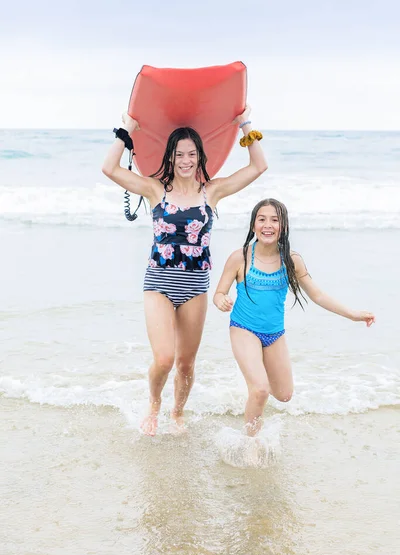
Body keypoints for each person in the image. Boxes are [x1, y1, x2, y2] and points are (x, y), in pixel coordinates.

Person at [102, 107, 267, 436]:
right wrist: (126, 129)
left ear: (200, 156)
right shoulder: (154, 189)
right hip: (159, 284)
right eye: (180, 154)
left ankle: (177, 412)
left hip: (195, 288)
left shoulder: (212, 192)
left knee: (186, 364)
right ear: (171, 157)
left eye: (192, 154)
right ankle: (154, 403)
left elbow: (258, 166)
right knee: (164, 358)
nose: (186, 160)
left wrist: (244, 123)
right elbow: (109, 168)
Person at [213, 199, 376, 436]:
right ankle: (250, 442)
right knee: (260, 390)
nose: (268, 225)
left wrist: (352, 314)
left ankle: (253, 384)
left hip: (274, 334)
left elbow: (317, 295)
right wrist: (221, 301)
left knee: (284, 395)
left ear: (284, 227)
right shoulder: (240, 258)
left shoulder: (292, 260)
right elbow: (219, 293)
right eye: (262, 219)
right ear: (253, 225)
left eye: (275, 220)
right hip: (243, 328)